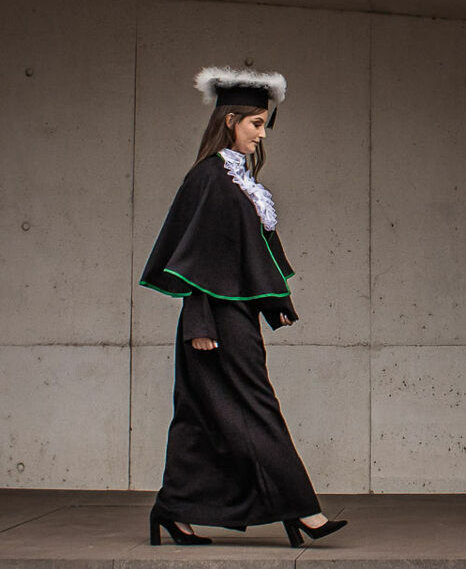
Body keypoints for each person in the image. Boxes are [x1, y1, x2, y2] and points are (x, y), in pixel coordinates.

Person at [138, 66, 349, 548]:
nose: (261, 133)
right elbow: (196, 256)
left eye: (264, 123)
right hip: (213, 321)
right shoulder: (210, 177)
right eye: (255, 123)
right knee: (257, 407)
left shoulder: (237, 178)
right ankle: (304, 511)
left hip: (235, 314)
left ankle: (173, 511)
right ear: (230, 119)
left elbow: (240, 252)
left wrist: (273, 303)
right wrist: (198, 319)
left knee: (198, 416)